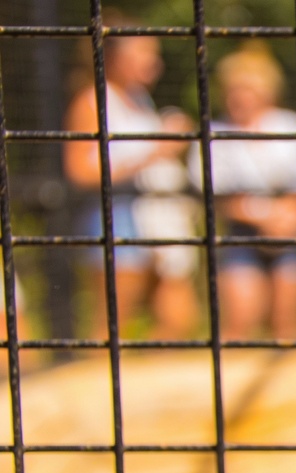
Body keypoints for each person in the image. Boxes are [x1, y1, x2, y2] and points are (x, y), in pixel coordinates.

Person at [63, 9, 200, 340]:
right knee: (113, 324)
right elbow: (79, 171)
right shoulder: (93, 100)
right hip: (116, 216)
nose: (154, 62)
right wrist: (156, 150)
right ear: (114, 57)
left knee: (178, 316)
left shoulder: (140, 99)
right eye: (143, 53)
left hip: (153, 213)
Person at [189, 42, 296, 341]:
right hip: (240, 233)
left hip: (289, 231)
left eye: (247, 89)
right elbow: (213, 194)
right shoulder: (214, 133)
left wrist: (289, 218)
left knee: (287, 326)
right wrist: (261, 216)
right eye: (233, 88)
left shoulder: (291, 126)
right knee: (240, 320)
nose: (239, 96)